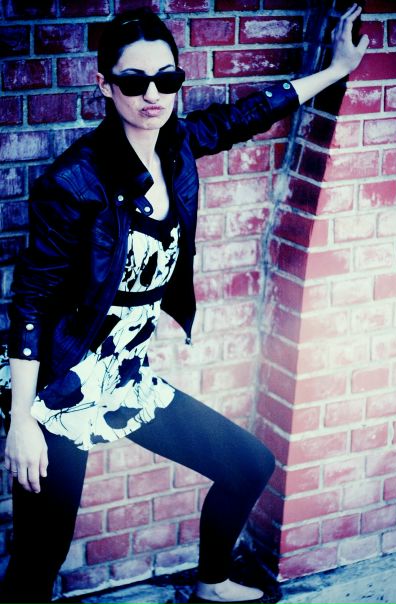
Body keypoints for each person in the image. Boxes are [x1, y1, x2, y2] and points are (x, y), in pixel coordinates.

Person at [1, 5, 368, 603]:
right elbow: (31, 304)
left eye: (166, 79)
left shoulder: (177, 146)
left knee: (248, 465)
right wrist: (22, 421)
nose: (152, 95)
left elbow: (247, 115)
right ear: (105, 85)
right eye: (134, 82)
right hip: (58, 385)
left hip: (125, 376)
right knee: (41, 554)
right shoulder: (72, 181)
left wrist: (336, 70)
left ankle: (212, 583)